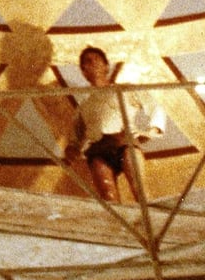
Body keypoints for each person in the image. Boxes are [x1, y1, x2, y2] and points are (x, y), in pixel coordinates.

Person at [64, 45, 165, 203]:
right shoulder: (84, 106)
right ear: (84, 72)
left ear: (106, 66)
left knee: (140, 189)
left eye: (96, 59)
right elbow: (75, 138)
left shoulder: (125, 90)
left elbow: (155, 106)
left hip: (125, 141)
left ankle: (151, 217)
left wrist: (151, 130)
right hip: (98, 148)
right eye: (86, 62)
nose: (91, 64)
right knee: (108, 197)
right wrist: (71, 150)